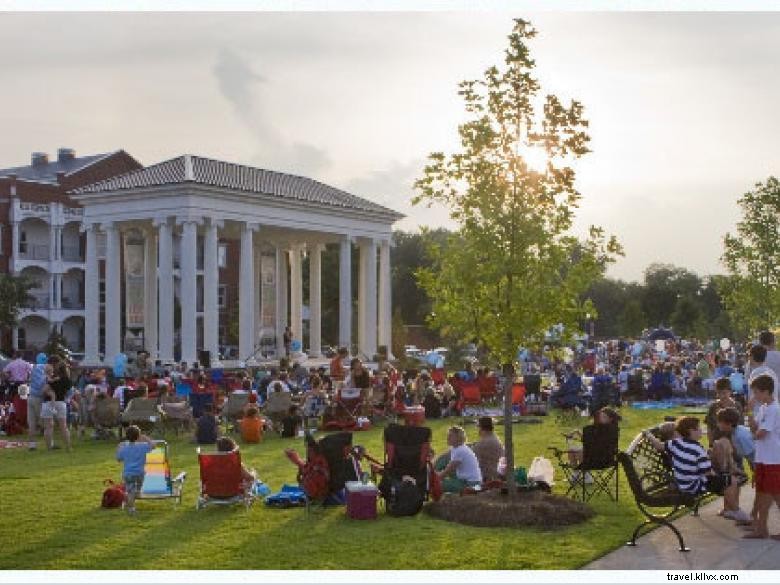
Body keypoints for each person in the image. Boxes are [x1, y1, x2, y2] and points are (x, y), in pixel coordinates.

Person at [644, 416, 735, 501]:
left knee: (724, 478)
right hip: (694, 486)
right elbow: (707, 473)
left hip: (682, 483)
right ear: (691, 431)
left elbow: (659, 446)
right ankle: (731, 510)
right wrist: (719, 476)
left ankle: (729, 508)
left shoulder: (675, 443)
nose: (701, 430)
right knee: (732, 481)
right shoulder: (697, 449)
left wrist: (648, 434)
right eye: (699, 428)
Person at [743, 374, 780, 539]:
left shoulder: (774, 410)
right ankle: (761, 528)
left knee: (773, 494)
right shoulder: (764, 408)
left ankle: (761, 528)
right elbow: (754, 428)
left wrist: (754, 429)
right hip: (763, 457)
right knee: (764, 492)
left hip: (773, 459)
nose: (754, 396)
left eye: (757, 392)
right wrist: (750, 413)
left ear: (766, 392)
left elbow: (759, 434)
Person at [714, 406, 753, 522]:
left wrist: (756, 472)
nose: (717, 424)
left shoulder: (741, 435)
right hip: (758, 462)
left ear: (729, 423)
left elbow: (752, 456)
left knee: (767, 492)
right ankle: (730, 509)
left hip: (764, 462)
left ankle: (754, 520)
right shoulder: (735, 432)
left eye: (719, 422)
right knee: (733, 477)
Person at [116, 424, 154, 515]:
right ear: (138, 436)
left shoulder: (124, 448)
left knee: (130, 491)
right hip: (140, 474)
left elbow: (118, 459)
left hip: (128, 474)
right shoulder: (143, 446)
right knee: (138, 487)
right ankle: (137, 492)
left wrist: (118, 448)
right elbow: (153, 445)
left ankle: (131, 508)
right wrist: (145, 437)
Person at [435, 426, 483, 493]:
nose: (447, 438)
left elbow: (447, 471)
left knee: (437, 484)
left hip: (471, 484)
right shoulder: (458, 448)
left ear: (458, 438)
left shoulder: (460, 451)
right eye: (448, 435)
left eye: (450, 436)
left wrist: (434, 477)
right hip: (471, 481)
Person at [41, 358, 72, 451]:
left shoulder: (51, 378)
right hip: (61, 402)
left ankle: (49, 448)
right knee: (64, 426)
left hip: (48, 403)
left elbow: (44, 390)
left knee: (48, 427)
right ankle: (68, 447)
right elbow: (67, 392)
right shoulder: (67, 380)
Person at [704, 377, 742, 446]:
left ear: (730, 392)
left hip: (733, 444)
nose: (721, 396)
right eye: (719, 393)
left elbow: (740, 427)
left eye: (724, 393)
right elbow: (709, 427)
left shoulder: (737, 406)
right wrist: (711, 444)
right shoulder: (713, 406)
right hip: (717, 442)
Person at [471, 417, 504, 482]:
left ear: (481, 428)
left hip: (489, 478)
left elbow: (470, 458)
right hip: (497, 475)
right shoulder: (493, 438)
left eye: (478, 427)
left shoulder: (483, 443)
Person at [26, 352, 48, 446]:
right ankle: (49, 443)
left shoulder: (33, 367)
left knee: (32, 422)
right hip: (39, 398)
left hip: (30, 396)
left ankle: (32, 444)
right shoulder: (43, 368)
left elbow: (30, 380)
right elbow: (41, 384)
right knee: (45, 422)